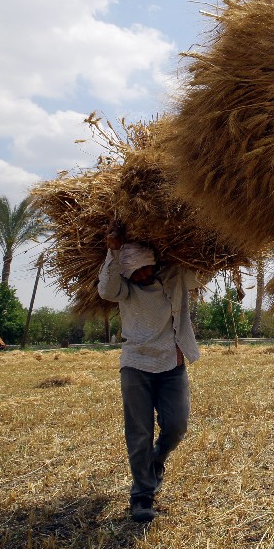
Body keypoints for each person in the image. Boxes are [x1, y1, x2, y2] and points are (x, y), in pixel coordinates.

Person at [98, 219, 202, 523]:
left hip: (172, 363)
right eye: (135, 272)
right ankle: (142, 494)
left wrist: (193, 242)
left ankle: (157, 461)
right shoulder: (124, 290)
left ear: (154, 262)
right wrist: (112, 252)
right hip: (136, 365)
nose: (142, 275)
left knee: (176, 426)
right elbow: (105, 288)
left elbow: (200, 271)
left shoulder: (176, 277)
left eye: (146, 268)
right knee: (139, 432)